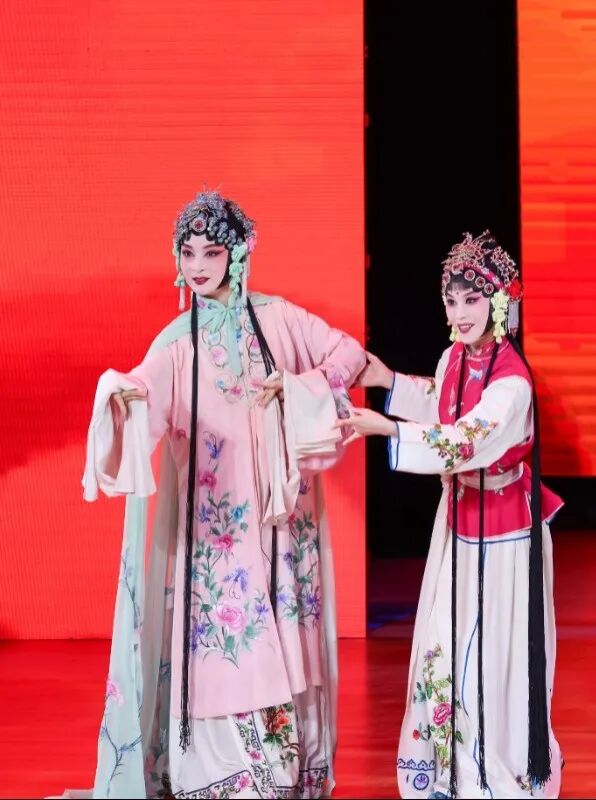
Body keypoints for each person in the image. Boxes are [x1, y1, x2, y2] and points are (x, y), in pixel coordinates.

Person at [75, 190, 366, 799]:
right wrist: (124, 397)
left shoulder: (279, 319)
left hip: (281, 520)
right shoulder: (177, 342)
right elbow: (145, 390)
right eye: (188, 253)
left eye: (211, 251)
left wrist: (300, 385)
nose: (198, 265)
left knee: (283, 630)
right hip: (216, 531)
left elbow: (348, 354)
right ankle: (221, 773)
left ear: (237, 254)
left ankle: (287, 766)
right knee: (229, 640)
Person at [337, 231, 563, 799]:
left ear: (498, 303)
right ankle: (448, 768)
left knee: (492, 657)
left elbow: (465, 439)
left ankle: (490, 770)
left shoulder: (512, 381)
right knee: (444, 643)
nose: (459, 313)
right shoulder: (455, 355)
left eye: (472, 299)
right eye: (451, 299)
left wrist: (390, 431)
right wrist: (387, 381)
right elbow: (443, 401)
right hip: (460, 522)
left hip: (506, 534)